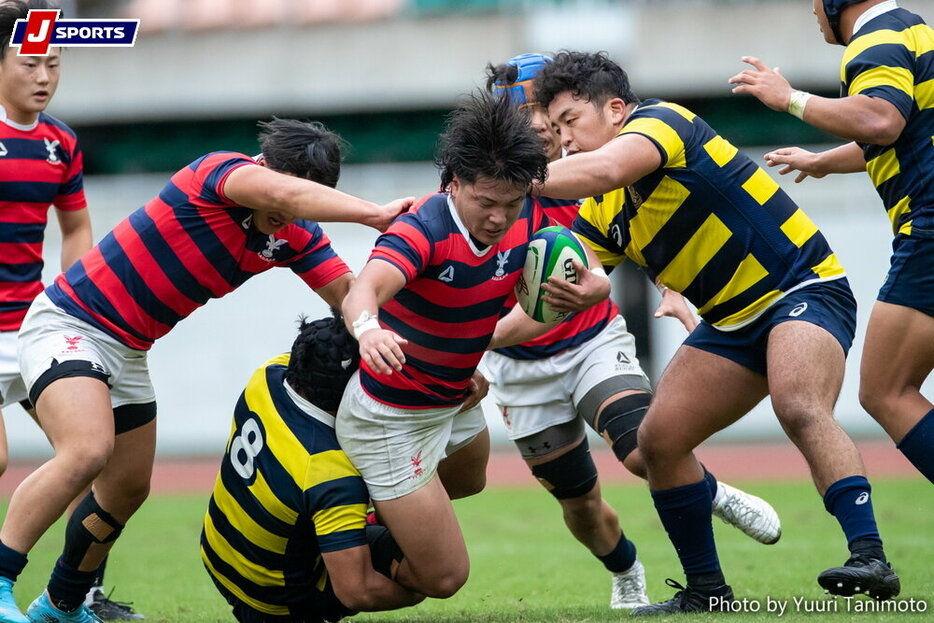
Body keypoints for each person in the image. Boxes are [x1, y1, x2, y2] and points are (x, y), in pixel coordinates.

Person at [0, 117, 411, 623]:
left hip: (128, 349)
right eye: (286, 199)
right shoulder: (218, 174)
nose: (286, 215)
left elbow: (350, 296)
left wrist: (389, 331)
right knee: (86, 450)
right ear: (267, 169)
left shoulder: (296, 235)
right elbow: (281, 192)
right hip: (70, 322)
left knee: (127, 487)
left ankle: (61, 604)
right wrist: (374, 213)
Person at [531, 50, 900, 614]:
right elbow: (576, 282)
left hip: (801, 288)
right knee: (659, 442)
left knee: (798, 403)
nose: (563, 141)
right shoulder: (602, 208)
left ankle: (870, 555)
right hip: (731, 323)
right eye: (553, 131)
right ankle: (708, 592)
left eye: (569, 123)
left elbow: (606, 167)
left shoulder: (662, 122)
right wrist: (473, 339)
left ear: (614, 109)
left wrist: (504, 178)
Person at [480, 53, 782, 610]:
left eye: (540, 111)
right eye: (522, 112)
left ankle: (712, 496)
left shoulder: (593, 164)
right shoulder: (485, 186)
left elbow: (644, 228)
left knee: (644, 449)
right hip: (518, 363)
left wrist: (671, 287)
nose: (537, 124)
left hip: (591, 340)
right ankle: (626, 570)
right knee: (582, 506)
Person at [337, 91, 611, 600]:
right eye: (485, 203)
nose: (498, 218)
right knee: (442, 580)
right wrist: (369, 329)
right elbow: (363, 290)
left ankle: (370, 505)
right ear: (454, 184)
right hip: (390, 413)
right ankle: (331, 534)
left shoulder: (527, 217)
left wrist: (598, 283)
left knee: (469, 481)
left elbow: (585, 257)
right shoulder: (423, 228)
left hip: (453, 395)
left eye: (510, 204)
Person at [727, 0, 933, 485]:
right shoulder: (915, 31)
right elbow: (901, 136)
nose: (812, 9)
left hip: (927, 230)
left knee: (886, 390)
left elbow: (882, 121)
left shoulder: (876, 37)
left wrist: (789, 99)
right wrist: (823, 162)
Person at [0, 2, 139, 619]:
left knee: (87, 453)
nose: (44, 76)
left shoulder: (61, 143)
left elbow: (76, 227)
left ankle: (78, 592)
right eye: (31, 62)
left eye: (54, 63)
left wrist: (73, 302)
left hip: (30, 328)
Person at [202, 311, 423, 622]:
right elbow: (357, 591)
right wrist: (415, 594)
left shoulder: (267, 375)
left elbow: (319, 357)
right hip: (278, 600)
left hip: (219, 557)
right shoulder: (328, 470)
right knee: (425, 562)